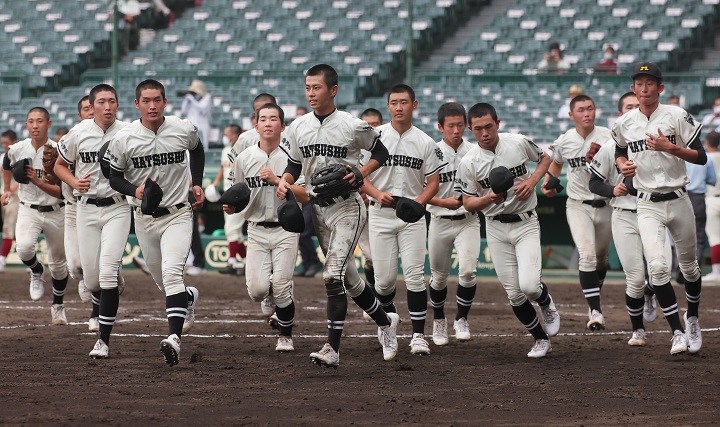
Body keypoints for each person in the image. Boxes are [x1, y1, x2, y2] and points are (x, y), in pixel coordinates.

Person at [276, 63, 399, 368]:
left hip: (348, 206)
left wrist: (362, 171)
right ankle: (386, 323)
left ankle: (332, 348)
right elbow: (293, 165)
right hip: (318, 209)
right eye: (307, 87)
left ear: (333, 90)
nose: (311, 93)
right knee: (351, 280)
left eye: (316, 87)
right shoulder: (297, 127)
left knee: (332, 274)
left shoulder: (352, 125)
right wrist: (286, 181)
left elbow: (381, 153)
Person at [106, 79, 203, 366]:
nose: (152, 105)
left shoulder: (183, 128)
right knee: (164, 283)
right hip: (144, 217)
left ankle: (174, 339)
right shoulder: (124, 139)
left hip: (178, 213)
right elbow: (113, 176)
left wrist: (196, 183)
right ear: (136, 104)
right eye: (146, 100)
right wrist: (133, 190)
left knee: (173, 273)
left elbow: (196, 149)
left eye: (157, 100)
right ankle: (188, 298)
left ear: (165, 102)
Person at [614, 61, 706, 355]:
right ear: (633, 88)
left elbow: (701, 157)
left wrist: (671, 148)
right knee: (656, 268)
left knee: (690, 268)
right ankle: (677, 331)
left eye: (650, 83)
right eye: (639, 84)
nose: (644, 88)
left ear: (660, 88)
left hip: (679, 198)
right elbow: (618, 150)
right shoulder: (624, 122)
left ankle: (692, 317)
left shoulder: (676, 115)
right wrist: (622, 165)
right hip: (647, 203)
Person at [456, 102, 560, 358]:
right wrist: (489, 199)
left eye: (489, 126)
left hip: (525, 222)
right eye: (478, 129)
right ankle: (540, 340)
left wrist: (533, 181)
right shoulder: (469, 162)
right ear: (470, 129)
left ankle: (545, 302)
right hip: (495, 227)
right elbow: (468, 203)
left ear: (498, 123)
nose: (484, 133)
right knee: (514, 294)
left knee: (529, 286)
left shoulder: (517, 142)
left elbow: (546, 157)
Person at [361, 84, 445, 356]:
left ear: (414, 105)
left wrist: (418, 203)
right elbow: (359, 175)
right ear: (388, 106)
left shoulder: (425, 142)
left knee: (414, 276)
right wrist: (376, 194)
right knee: (384, 282)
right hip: (380, 213)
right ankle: (387, 326)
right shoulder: (375, 138)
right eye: (394, 102)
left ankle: (419, 335)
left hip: (412, 216)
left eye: (404, 102)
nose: (399, 107)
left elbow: (433, 183)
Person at [54, 84, 132, 359]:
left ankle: (103, 340)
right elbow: (59, 166)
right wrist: (75, 181)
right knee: (91, 279)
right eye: (102, 102)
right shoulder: (78, 133)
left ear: (118, 105)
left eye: (112, 101)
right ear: (92, 106)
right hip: (85, 209)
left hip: (118, 208)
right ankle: (112, 276)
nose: (108, 106)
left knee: (107, 272)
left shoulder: (129, 131)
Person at [589, 91, 670, 346]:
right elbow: (594, 182)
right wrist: (612, 190)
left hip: (656, 211)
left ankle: (650, 293)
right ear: (620, 115)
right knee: (634, 279)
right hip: (624, 215)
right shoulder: (610, 147)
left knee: (661, 271)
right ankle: (637, 330)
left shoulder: (659, 142)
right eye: (628, 107)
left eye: (638, 106)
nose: (634, 110)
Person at [225, 103, 307, 352]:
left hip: (286, 229)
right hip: (256, 228)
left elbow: (305, 196)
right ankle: (273, 288)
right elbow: (236, 194)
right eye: (263, 119)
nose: (268, 123)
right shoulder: (244, 158)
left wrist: (278, 180)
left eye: (274, 119)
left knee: (282, 287)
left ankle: (285, 336)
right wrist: (231, 207)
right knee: (258, 292)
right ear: (256, 125)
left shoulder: (293, 158)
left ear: (283, 126)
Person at [543, 94, 612, 331]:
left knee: (601, 260)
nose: (587, 113)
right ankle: (595, 311)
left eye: (590, 108)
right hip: (577, 204)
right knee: (587, 255)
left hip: (606, 204)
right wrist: (549, 181)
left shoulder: (608, 137)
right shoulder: (565, 140)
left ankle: (594, 297)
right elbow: (555, 162)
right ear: (571, 115)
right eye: (581, 110)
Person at [1, 107, 69, 324]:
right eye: (31, 121)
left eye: (40, 121)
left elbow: (62, 191)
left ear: (48, 124)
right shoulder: (18, 149)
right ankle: (37, 271)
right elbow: (6, 163)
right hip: (28, 208)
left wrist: (38, 181)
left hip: (57, 209)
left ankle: (58, 305)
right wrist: (6, 188)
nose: (35, 125)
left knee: (58, 264)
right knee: (23, 248)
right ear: (26, 124)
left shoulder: (59, 150)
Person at [426, 102, 480, 345]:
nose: (456, 130)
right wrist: (441, 202)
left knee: (468, 271)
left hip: (468, 220)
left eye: (460, 125)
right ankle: (439, 320)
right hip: (439, 218)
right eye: (451, 126)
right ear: (440, 127)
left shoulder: (475, 150)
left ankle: (461, 319)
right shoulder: (430, 151)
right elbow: (420, 189)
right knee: (438, 277)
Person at [355, 107, 386, 286]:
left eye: (374, 124)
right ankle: (375, 296)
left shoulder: (388, 147)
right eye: (367, 125)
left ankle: (381, 296)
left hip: (385, 208)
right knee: (371, 257)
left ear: (382, 125)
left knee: (382, 258)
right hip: (363, 208)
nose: (371, 128)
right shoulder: (354, 148)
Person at [213, 124, 246, 275]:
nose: (225, 137)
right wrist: (216, 182)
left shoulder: (244, 150)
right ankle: (246, 263)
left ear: (235, 135)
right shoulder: (226, 151)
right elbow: (222, 167)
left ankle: (232, 263)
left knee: (231, 229)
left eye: (227, 134)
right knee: (235, 232)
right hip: (227, 192)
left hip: (238, 193)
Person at [685, 143, 716, 272]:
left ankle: (680, 268)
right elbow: (712, 180)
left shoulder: (679, 154)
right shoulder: (706, 156)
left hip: (682, 196)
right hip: (698, 198)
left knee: (679, 234)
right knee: (699, 236)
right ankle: (693, 270)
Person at [0, 130, 19, 271]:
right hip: (5, 196)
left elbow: (24, 179)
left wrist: (10, 190)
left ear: (14, 141)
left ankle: (2, 259)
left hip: (16, 197)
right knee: (9, 227)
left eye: (7, 143)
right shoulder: (2, 157)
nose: (5, 145)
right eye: (3, 143)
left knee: (11, 228)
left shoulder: (20, 156)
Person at [703, 131, 720, 281]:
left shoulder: (706, 158)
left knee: (715, 238)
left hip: (711, 198)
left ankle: (716, 272)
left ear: (707, 142)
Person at [180, 79, 211, 150]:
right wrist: (186, 100)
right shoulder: (191, 99)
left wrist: (192, 100)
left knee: (203, 147)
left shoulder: (206, 98)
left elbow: (202, 108)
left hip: (202, 126)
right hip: (191, 125)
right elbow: (183, 111)